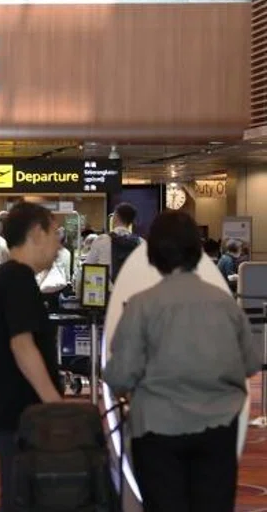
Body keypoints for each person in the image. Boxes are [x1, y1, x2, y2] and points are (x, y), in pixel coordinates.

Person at [104, 211, 258, 512]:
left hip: (157, 428)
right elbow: (250, 363)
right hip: (218, 427)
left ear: (153, 254)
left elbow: (120, 375)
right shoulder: (225, 303)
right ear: (197, 250)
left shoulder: (142, 305)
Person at [0, 202, 63, 512]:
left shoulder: (2, 282)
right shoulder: (18, 282)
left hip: (7, 414)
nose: (58, 244)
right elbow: (22, 345)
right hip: (22, 419)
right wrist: (55, 404)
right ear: (37, 233)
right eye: (55, 233)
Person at [86, 202, 140, 282]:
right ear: (131, 222)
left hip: (108, 288)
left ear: (115, 218)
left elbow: (88, 267)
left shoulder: (101, 240)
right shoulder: (141, 243)